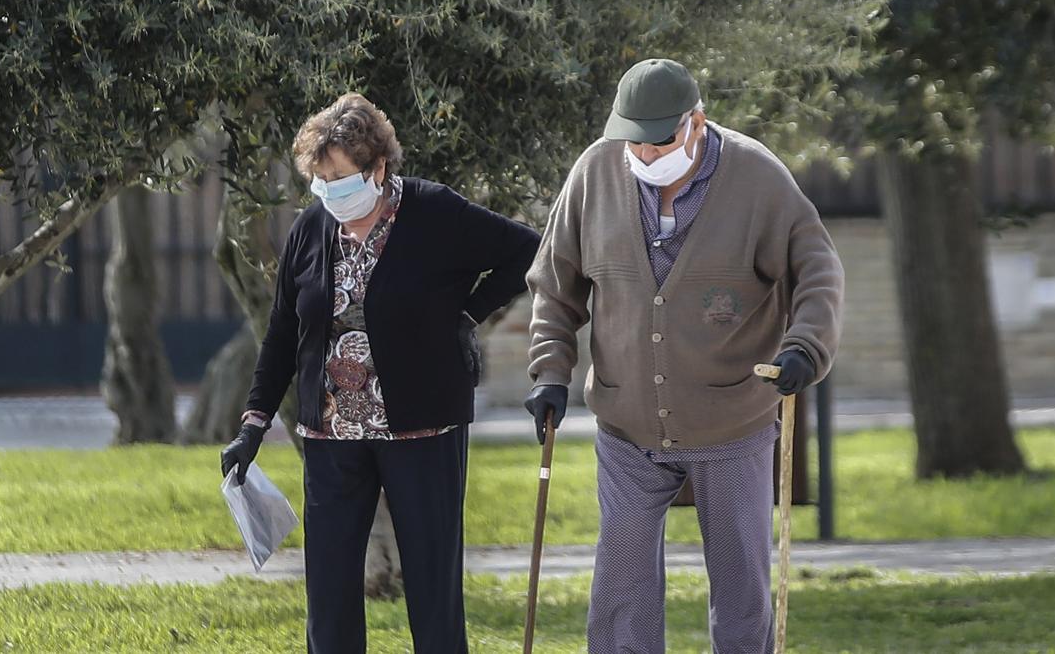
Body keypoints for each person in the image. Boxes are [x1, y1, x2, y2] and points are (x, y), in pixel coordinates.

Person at [523, 58, 843, 653]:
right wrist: (549, 370)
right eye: (632, 142)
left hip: (732, 421)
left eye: (660, 141)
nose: (644, 156)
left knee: (742, 587)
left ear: (696, 121)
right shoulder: (595, 172)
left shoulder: (757, 178)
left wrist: (806, 346)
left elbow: (817, 270)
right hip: (627, 424)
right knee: (621, 587)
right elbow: (555, 284)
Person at [220, 92, 540, 653]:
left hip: (423, 432)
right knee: (329, 593)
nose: (328, 192)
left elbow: (527, 250)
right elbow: (282, 332)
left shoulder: (434, 211)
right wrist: (253, 423)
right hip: (332, 437)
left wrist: (467, 313)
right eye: (319, 180)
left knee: (433, 590)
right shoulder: (311, 228)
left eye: (340, 179)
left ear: (378, 167)